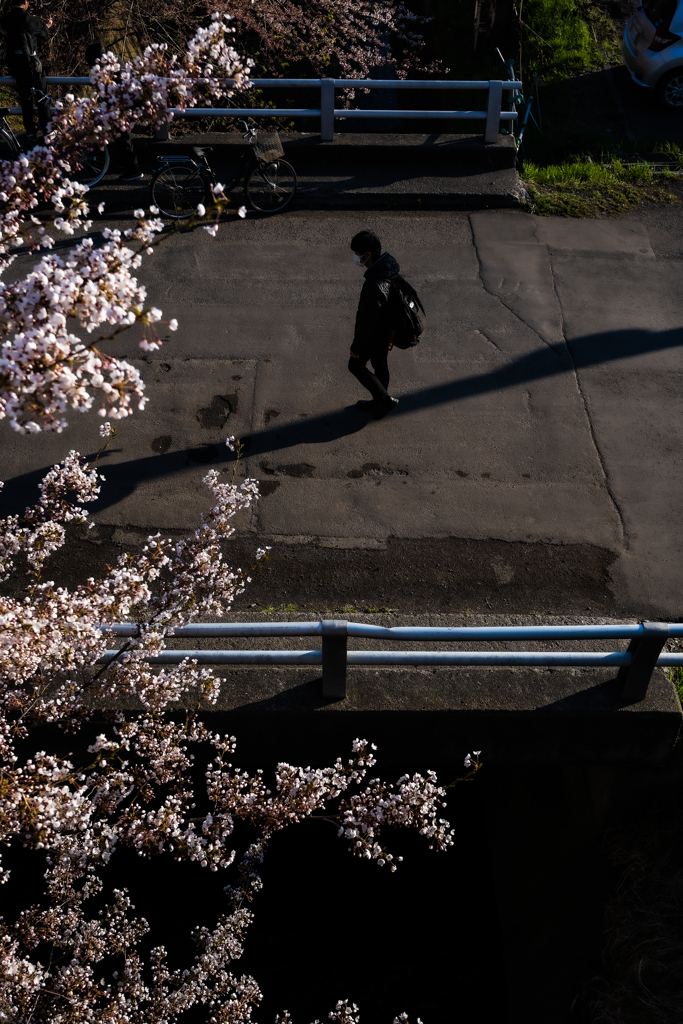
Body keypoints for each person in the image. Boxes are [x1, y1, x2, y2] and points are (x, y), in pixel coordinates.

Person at [348, 229, 400, 420]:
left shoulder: (373, 286)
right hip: (388, 328)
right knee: (380, 363)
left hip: (378, 331)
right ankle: (380, 402)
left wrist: (356, 347)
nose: (356, 257)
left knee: (355, 365)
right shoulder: (388, 267)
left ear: (367, 255)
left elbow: (366, 322)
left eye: (357, 254)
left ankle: (383, 400)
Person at [85, 40, 142, 181]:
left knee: (123, 137)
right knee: (120, 137)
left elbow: (112, 87)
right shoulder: (114, 61)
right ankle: (127, 166)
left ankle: (133, 169)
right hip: (121, 104)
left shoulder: (112, 67)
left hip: (120, 106)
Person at [2, 0, 52, 140]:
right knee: (42, 98)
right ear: (25, 2)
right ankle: (47, 131)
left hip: (16, 67)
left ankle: (30, 132)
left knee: (25, 101)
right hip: (33, 67)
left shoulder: (6, 19)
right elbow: (43, 35)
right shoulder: (32, 20)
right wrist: (47, 26)